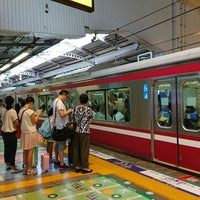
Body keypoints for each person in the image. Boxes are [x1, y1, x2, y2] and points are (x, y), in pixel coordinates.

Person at [18, 96, 42, 176]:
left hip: (24, 133)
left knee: (25, 151)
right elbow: (34, 121)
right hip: (30, 133)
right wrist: (38, 114)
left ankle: (25, 168)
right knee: (30, 151)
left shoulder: (21, 110)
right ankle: (29, 170)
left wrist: (34, 113)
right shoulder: (30, 111)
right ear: (31, 103)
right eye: (32, 104)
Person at [71, 93, 93, 173]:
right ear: (87, 101)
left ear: (79, 100)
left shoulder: (75, 108)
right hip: (84, 131)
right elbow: (90, 121)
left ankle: (77, 166)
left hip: (76, 131)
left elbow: (72, 120)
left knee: (76, 148)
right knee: (84, 149)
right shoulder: (88, 109)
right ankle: (85, 167)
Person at [52, 90, 72, 171]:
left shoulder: (55, 101)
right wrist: (69, 111)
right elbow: (62, 114)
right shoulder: (60, 102)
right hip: (61, 127)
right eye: (66, 97)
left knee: (57, 144)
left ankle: (56, 160)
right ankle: (62, 163)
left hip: (56, 126)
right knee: (61, 145)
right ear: (64, 95)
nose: (66, 99)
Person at [1, 96, 21, 173]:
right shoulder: (12, 111)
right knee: (12, 150)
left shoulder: (4, 111)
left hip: (4, 132)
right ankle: (13, 167)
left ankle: (8, 164)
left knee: (7, 149)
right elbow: (16, 123)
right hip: (11, 133)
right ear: (13, 102)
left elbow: (2, 120)